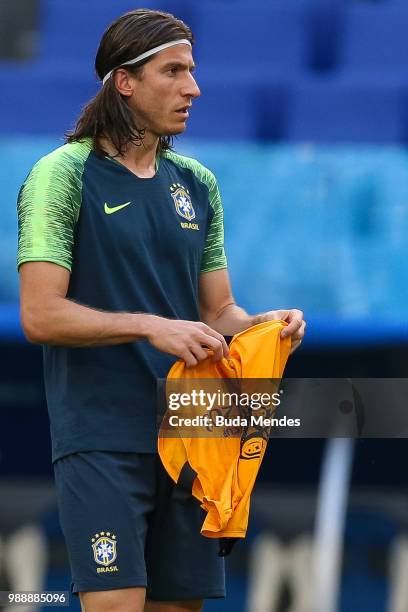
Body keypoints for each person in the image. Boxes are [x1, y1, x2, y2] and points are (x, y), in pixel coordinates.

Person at [17, 8, 305, 612]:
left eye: (192, 71)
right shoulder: (61, 176)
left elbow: (218, 308)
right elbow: (41, 315)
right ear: (125, 81)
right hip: (102, 435)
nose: (192, 88)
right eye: (173, 71)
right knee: (117, 603)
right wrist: (151, 325)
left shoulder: (197, 182)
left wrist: (264, 326)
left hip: (193, 432)